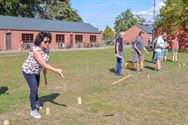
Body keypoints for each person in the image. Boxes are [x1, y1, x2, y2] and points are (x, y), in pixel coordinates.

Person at [22, 32, 64, 119]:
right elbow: (43, 63)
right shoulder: (35, 50)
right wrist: (56, 70)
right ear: (40, 41)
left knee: (36, 87)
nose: (47, 43)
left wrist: (45, 69)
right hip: (28, 71)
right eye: (45, 41)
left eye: (49, 41)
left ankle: (36, 101)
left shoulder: (47, 50)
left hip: (37, 71)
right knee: (34, 88)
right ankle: (33, 110)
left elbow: (45, 61)